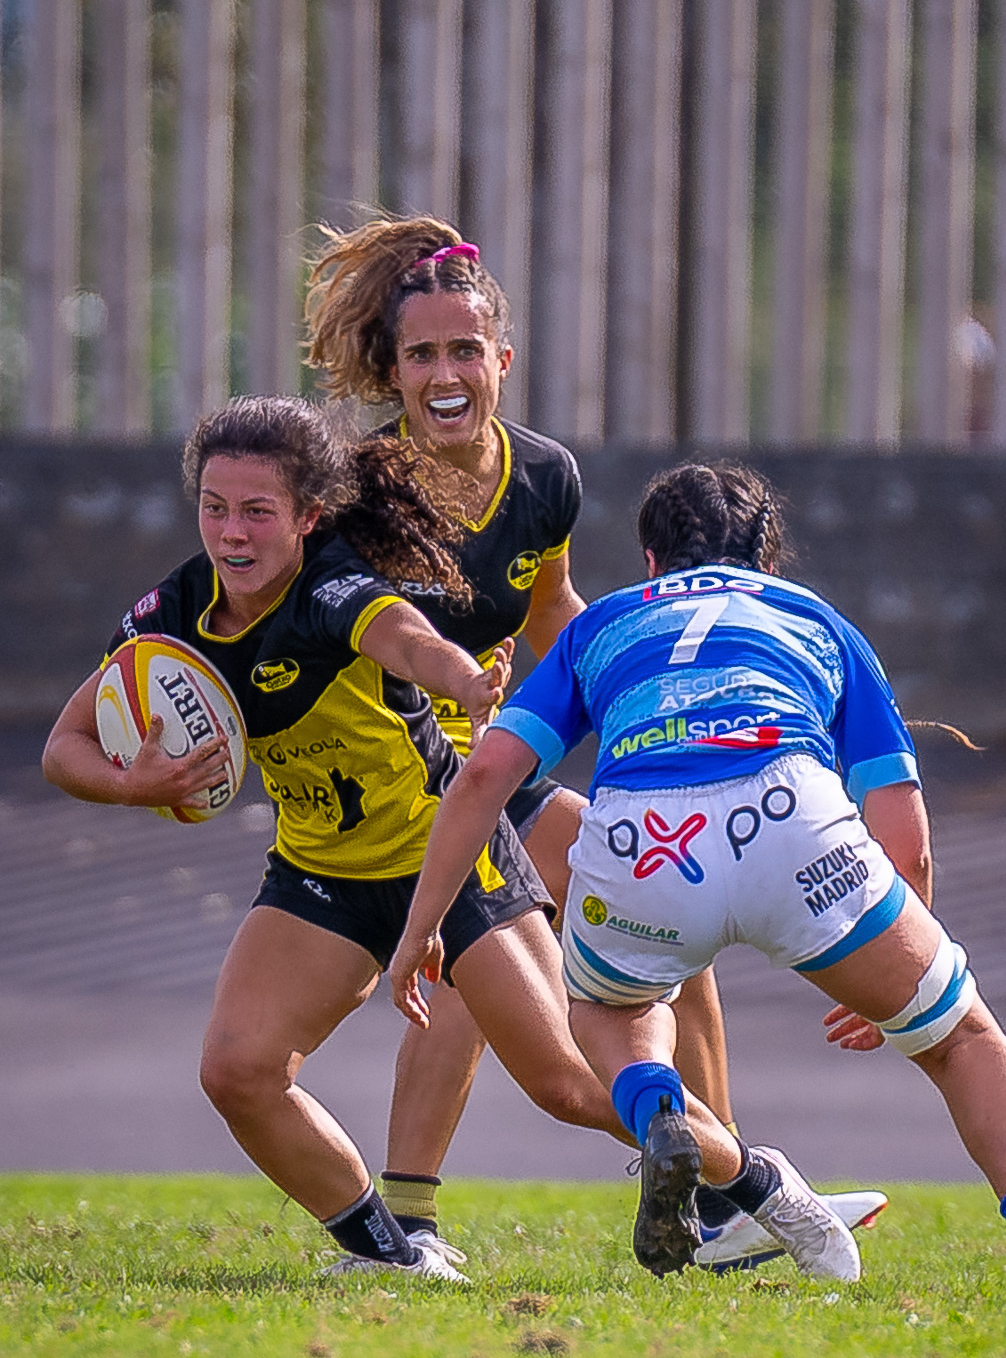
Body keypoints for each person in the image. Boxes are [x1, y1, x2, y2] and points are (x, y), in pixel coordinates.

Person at [391, 462, 1006, 1306]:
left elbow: (484, 779)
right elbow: (902, 823)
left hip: (642, 837)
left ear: (651, 561)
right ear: (767, 561)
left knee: (612, 1011)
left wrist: (422, 928)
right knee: (963, 1039)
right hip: (790, 817)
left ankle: (659, 1114)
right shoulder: (814, 618)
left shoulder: (605, 624)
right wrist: (903, 963)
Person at [305, 215, 886, 1269]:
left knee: (663, 904)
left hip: (478, 764)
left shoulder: (544, 481)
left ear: (501, 361)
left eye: (464, 350)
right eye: (423, 354)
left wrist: (652, 686)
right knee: (508, 995)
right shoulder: (359, 496)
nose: (446, 372)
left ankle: (714, 1202)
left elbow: (556, 618)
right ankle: (411, 1229)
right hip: (392, 780)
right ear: (393, 373)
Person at [42, 396, 644, 1281]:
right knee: (237, 1071)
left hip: (445, 857)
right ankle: (389, 1256)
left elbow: (408, 641)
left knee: (564, 1084)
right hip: (320, 875)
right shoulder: (173, 610)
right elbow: (66, 748)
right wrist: (138, 784)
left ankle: (749, 1179)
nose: (232, 533)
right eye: (215, 507)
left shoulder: (333, 588)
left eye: (257, 512)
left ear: (307, 517)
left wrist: (470, 683)